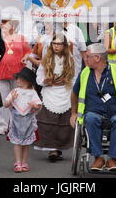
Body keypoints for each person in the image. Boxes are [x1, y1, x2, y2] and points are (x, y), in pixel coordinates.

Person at [71, 43, 116, 171]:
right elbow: (74, 93)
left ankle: (112, 159)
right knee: (90, 118)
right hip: (92, 114)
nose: (85, 59)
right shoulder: (84, 73)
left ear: (97, 58)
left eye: (88, 57)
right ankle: (98, 158)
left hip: (115, 114)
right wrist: (73, 113)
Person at [35, 33, 75, 162]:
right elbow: (39, 77)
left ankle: (59, 148)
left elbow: (75, 77)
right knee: (49, 122)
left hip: (65, 92)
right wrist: (45, 81)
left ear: (64, 46)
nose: (56, 46)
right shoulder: (46, 59)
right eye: (54, 44)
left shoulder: (70, 59)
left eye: (59, 44)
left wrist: (67, 82)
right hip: (50, 92)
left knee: (62, 122)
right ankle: (51, 149)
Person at [0, 16, 32, 136]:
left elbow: (28, 51)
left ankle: (15, 124)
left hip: (17, 73)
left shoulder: (21, 38)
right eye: (4, 24)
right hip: (1, 71)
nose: (4, 25)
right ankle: (3, 125)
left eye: (7, 24)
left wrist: (26, 57)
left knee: (17, 98)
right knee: (5, 99)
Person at [5, 67, 42, 173]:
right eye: (17, 79)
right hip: (16, 120)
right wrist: (11, 99)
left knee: (26, 143)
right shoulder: (14, 91)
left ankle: (24, 162)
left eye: (20, 79)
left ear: (27, 81)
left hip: (28, 121)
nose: (17, 81)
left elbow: (39, 105)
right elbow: (6, 104)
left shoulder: (32, 92)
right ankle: (18, 162)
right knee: (17, 142)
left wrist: (34, 105)